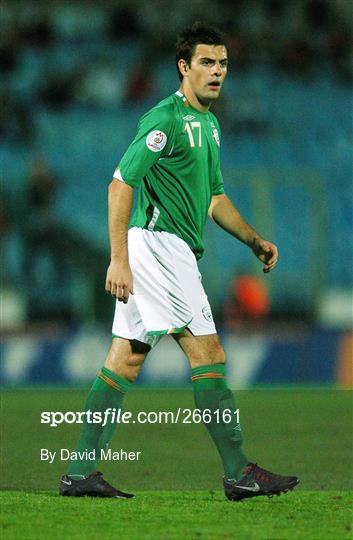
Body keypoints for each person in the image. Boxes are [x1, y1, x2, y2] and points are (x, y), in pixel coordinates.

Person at [59, 22, 299, 501]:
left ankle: (80, 473)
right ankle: (238, 472)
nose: (217, 72)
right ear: (183, 67)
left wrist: (253, 239)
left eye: (223, 63)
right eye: (207, 62)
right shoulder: (164, 119)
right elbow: (119, 184)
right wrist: (118, 261)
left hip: (168, 250)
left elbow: (214, 198)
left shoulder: (209, 125)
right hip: (159, 248)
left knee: (125, 361)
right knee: (209, 356)